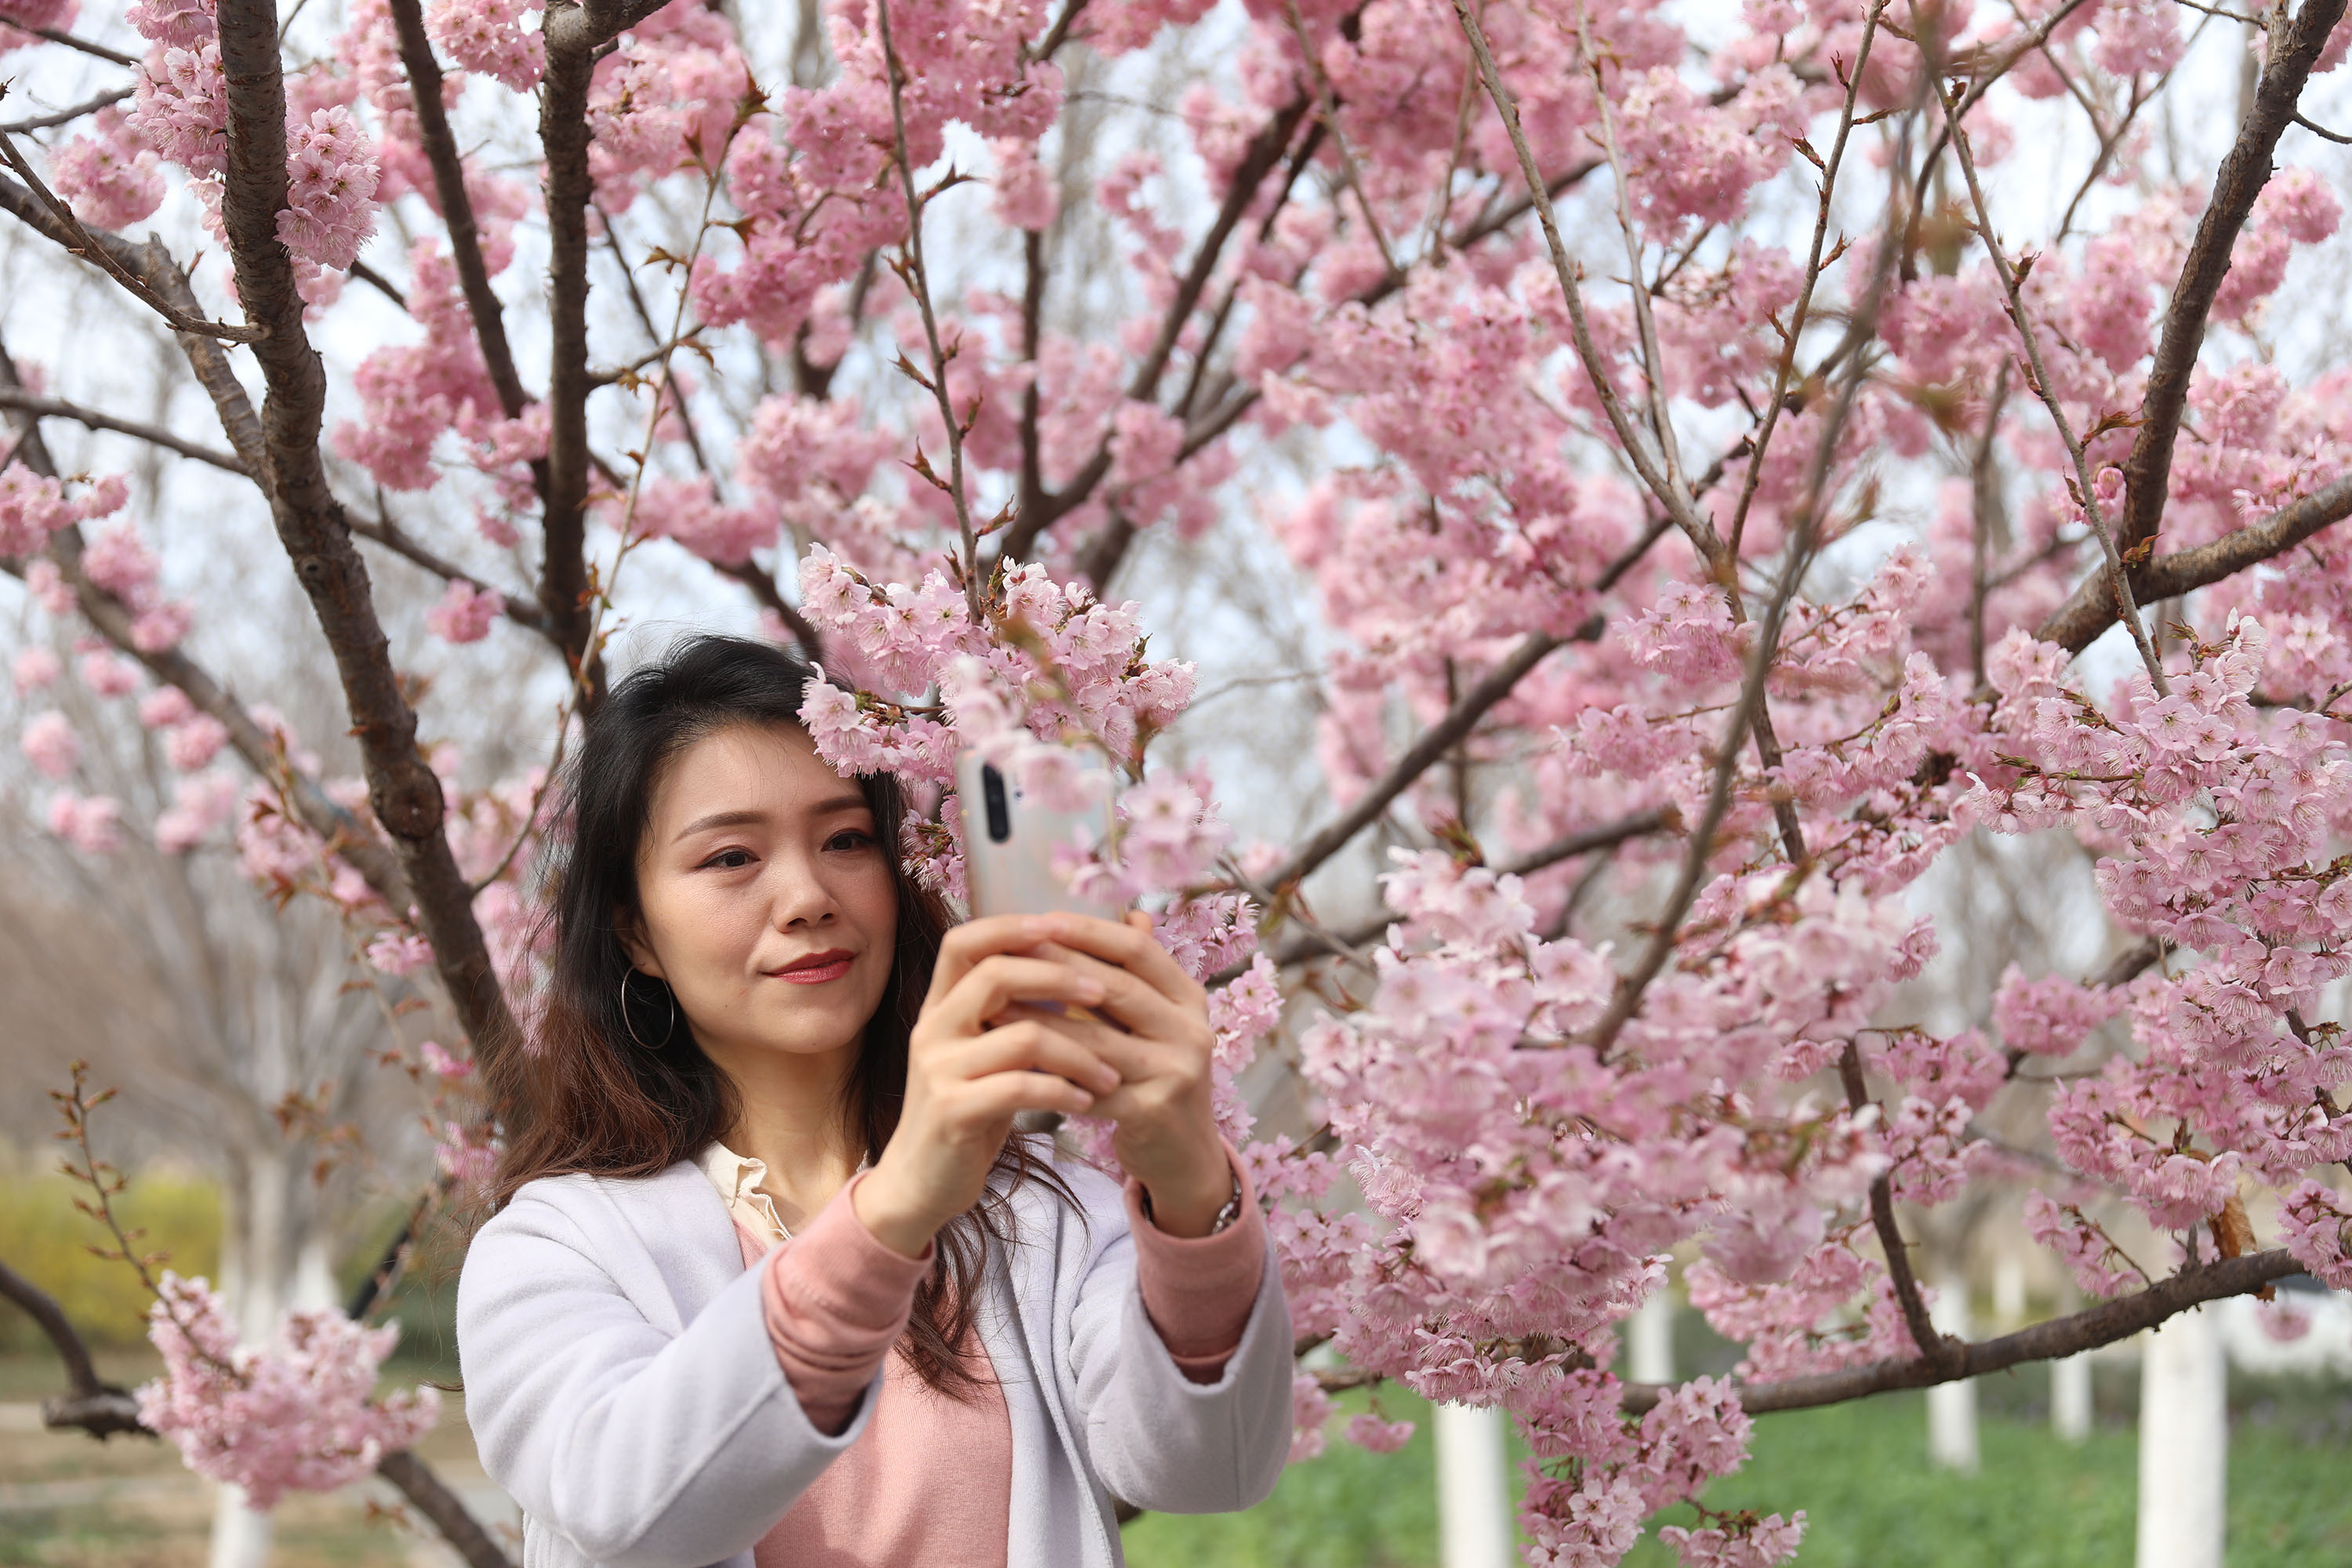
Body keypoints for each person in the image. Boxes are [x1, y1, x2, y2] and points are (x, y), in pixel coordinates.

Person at [456, 634, 1292, 1568]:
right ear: (635, 931)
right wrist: (895, 1210)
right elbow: (636, 1506)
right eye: (731, 856)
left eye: (847, 839)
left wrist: (1185, 1175)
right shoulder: (555, 1249)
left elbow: (1210, 1468)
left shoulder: (1044, 1219)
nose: (808, 895)